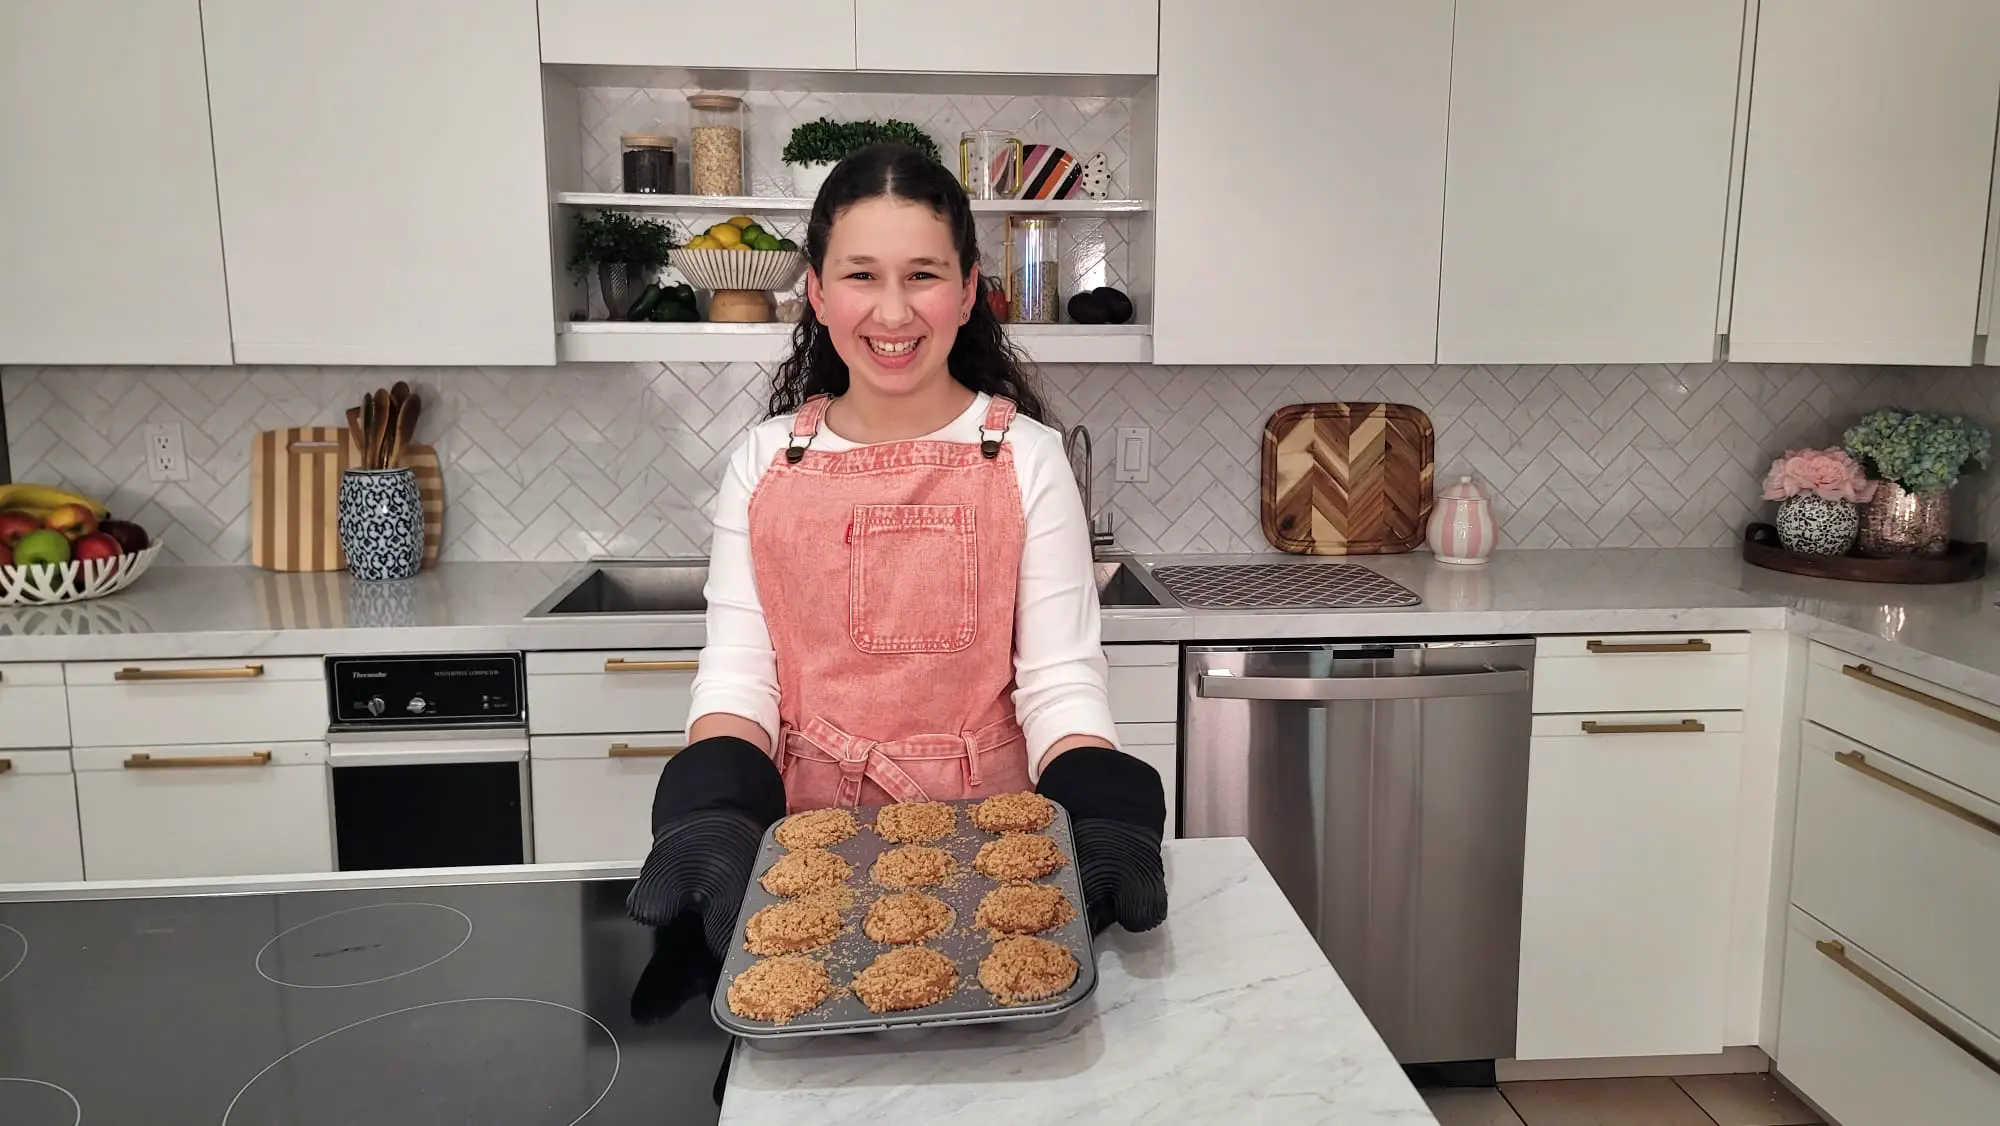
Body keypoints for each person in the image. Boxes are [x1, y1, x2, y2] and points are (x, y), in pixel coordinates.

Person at [625, 143, 1168, 1007]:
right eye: (860, 276)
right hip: (803, 849)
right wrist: (713, 808)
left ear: (966, 289)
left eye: (921, 275)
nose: (891, 311)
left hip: (995, 850)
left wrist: (1103, 809)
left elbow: (1060, 679)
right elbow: (739, 672)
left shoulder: (1026, 457)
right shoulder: (766, 459)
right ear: (816, 289)